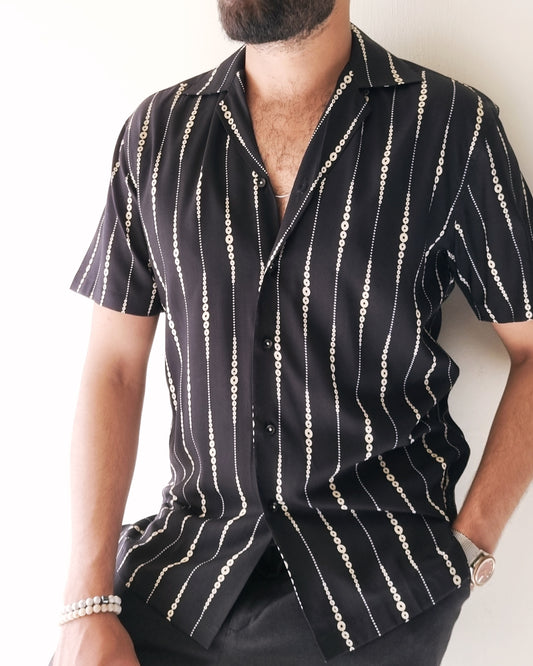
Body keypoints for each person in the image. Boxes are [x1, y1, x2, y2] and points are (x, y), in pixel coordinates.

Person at [52, 1, 533, 664]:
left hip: (373, 593)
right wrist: (86, 603)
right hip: (183, 580)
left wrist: (472, 545)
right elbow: (114, 366)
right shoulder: (158, 133)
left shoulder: (451, 126)